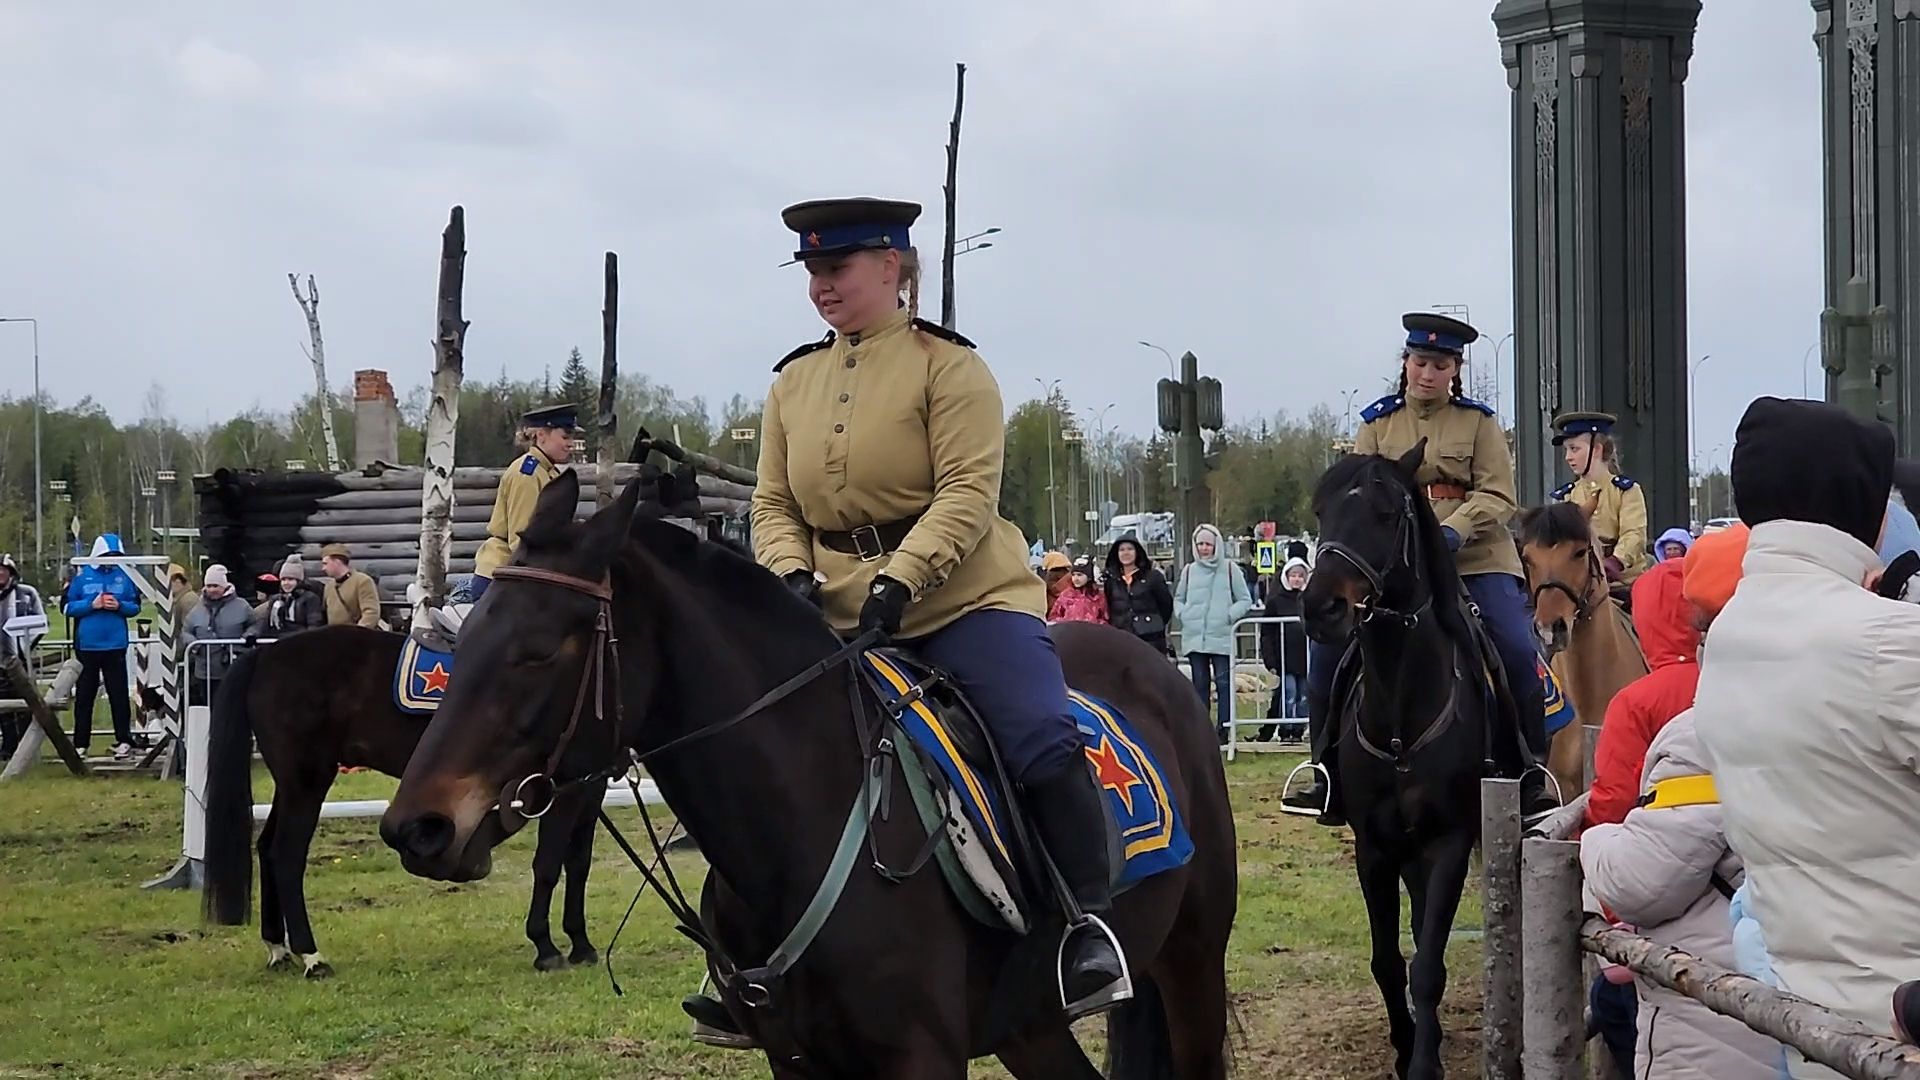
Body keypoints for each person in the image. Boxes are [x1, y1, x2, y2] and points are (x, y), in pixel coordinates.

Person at [742, 195, 1127, 1022]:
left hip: (965, 599)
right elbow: (771, 503)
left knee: (1038, 735)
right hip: (835, 611)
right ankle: (749, 954)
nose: (820, 287)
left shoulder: (950, 369)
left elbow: (966, 495)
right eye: (811, 272)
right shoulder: (792, 381)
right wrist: (788, 575)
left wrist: (899, 580)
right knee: (764, 756)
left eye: (836, 269)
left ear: (893, 266)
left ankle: (1084, 929)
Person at [1694, 397, 1920, 1076]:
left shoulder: (1729, 636)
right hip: (1906, 1006)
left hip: (1810, 1011)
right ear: (1866, 508)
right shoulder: (1886, 640)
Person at [1297, 312, 1554, 824]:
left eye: (1440, 364)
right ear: (1406, 364)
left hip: (1476, 557)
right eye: (1420, 362)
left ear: (1455, 370)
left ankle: (1528, 771)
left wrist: (1454, 529)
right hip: (1394, 566)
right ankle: (1325, 770)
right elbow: (1355, 497)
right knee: (1327, 651)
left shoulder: (1479, 424)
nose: (1428, 373)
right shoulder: (1377, 424)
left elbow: (1500, 494)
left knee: (1517, 648)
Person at [1581, 555, 1703, 829]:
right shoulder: (1747, 681)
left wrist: (1584, 834)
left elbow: (1615, 798)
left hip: (1661, 838)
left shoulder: (1634, 701)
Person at [466, 404, 580, 602]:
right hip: (502, 576)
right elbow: (520, 539)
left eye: (571, 437)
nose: (571, 443)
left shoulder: (548, 472)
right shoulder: (527, 475)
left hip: (516, 575)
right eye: (565, 436)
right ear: (542, 435)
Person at [64, 534, 142, 759]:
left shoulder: (125, 576)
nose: (112, 560)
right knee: (84, 697)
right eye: (108, 556)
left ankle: (124, 740)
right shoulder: (81, 576)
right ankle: (80, 743)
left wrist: (119, 605)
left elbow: (135, 606)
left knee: (118, 696)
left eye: (116, 556)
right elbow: (67, 608)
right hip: (87, 647)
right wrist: (92, 604)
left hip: (115, 646)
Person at [1551, 411, 1651, 584]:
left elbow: (1634, 534)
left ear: (1597, 449)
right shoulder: (1566, 497)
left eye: (1574, 449)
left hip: (1624, 583)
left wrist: (1616, 561)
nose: (1568, 457)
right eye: (1567, 450)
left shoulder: (1627, 491)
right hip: (1581, 584)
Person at [1175, 523, 1253, 745]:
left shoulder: (1230, 569)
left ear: (1216, 544)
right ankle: (1201, 729)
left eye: (1208, 544)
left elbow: (1244, 599)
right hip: (1195, 636)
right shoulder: (1189, 571)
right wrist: (1184, 614)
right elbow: (1178, 598)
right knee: (1199, 683)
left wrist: (1229, 615)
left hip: (1221, 636)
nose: (1204, 548)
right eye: (1200, 544)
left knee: (1224, 683)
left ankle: (1224, 728)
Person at [182, 565, 254, 707]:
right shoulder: (197, 609)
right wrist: (195, 645)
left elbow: (255, 624)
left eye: (216, 585)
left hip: (233, 668)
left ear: (224, 586)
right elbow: (186, 631)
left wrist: (249, 636)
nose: (212, 590)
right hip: (205, 670)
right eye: (209, 586)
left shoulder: (242, 606)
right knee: (211, 707)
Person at [1257, 556, 1310, 741]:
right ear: (1286, 577)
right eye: (1293, 575)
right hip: (1285, 659)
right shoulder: (1276, 601)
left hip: (1305, 660)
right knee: (1289, 694)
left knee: (1304, 697)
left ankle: (1299, 730)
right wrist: (1269, 659)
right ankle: (1285, 729)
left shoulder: (1309, 600)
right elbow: (1267, 632)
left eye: (1300, 575)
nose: (1296, 579)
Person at [0, 555, 47, 760]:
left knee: (25, 703)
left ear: (11, 572)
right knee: (3, 708)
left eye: (3, 569)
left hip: (18, 660)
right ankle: (7, 747)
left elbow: (40, 622)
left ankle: (25, 750)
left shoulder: (27, 593)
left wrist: (23, 647)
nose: (0, 573)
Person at [1104, 534, 1174, 655]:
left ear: (1137, 552)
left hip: (1151, 639)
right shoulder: (1111, 580)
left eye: (1130, 549)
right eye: (1122, 550)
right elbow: (1108, 605)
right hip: (1121, 636)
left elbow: (1166, 605)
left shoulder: (1153, 577)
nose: (1126, 553)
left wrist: (1153, 623)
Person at [259, 555, 325, 637]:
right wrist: (251, 635)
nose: (286, 583)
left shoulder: (310, 598)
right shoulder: (276, 599)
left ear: (299, 581)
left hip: (300, 641)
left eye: (290, 579)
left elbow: (314, 624)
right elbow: (264, 623)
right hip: (278, 641)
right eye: (283, 579)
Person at [320, 544, 380, 628]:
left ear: (337, 562)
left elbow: (371, 612)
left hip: (356, 636)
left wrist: (358, 633)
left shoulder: (362, 581)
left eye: (325, 563)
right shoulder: (329, 586)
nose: (323, 568)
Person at [1048, 556, 1109, 624]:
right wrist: (1065, 622)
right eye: (1073, 575)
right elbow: (1053, 617)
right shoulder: (1066, 595)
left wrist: (1095, 624)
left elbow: (1105, 619)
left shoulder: (1098, 597)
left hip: (1091, 633)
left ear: (1089, 577)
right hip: (1068, 632)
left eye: (1079, 575)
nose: (1075, 578)